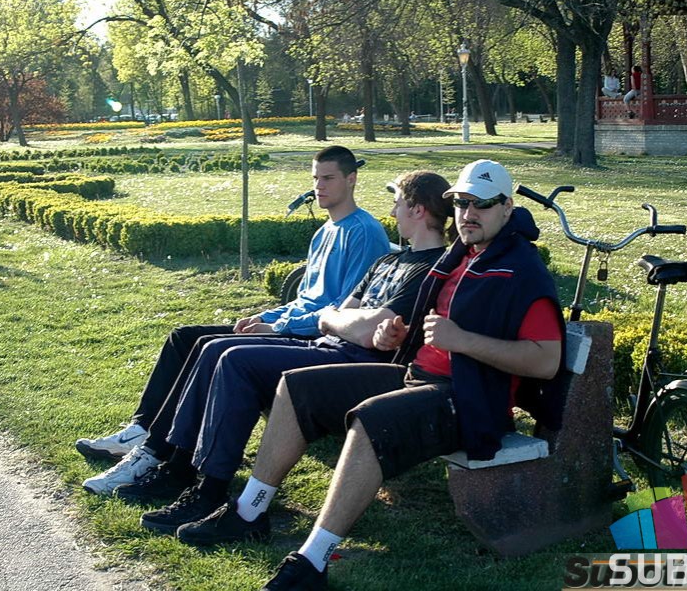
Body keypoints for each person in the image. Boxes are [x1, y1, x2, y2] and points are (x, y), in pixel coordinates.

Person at [178, 159, 565, 590]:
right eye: (461, 203)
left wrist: (463, 341)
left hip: (470, 400)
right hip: (417, 374)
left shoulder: (522, 270)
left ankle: (312, 561)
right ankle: (249, 512)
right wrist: (395, 334)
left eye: (483, 204)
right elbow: (433, 327)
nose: (468, 214)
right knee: (296, 386)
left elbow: (546, 361)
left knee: (371, 420)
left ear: (507, 207)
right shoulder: (464, 255)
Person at [81, 171, 453, 500]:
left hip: (351, 361)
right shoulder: (388, 261)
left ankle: (197, 481)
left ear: (418, 210)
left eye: (397, 202)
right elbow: (338, 313)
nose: (392, 211)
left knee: (233, 358)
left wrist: (338, 319)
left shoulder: (429, 269)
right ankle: (166, 460)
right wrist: (337, 319)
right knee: (210, 346)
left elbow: (367, 329)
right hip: (327, 344)